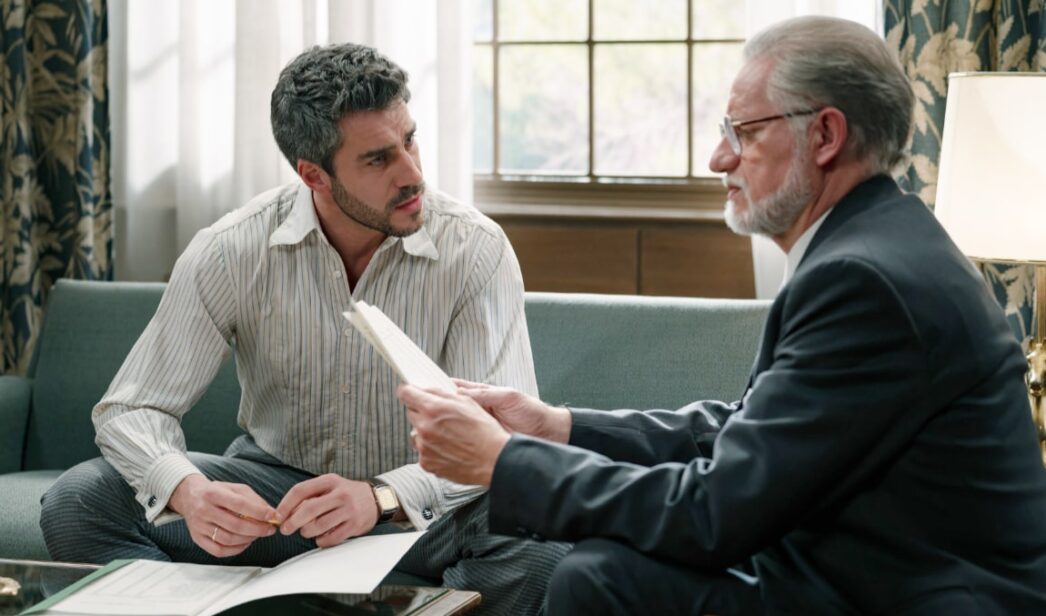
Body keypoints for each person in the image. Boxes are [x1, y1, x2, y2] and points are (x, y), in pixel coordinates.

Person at [397, 16, 1046, 615]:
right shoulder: (875, 246)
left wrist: (504, 462)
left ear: (824, 134)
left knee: (597, 578)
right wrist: (557, 427)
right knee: (599, 572)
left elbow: (717, 513)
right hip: (859, 575)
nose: (718, 158)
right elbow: (746, 431)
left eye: (742, 131)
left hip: (903, 598)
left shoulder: (864, 280)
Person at [40, 42, 568, 615]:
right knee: (79, 498)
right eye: (378, 159)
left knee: (543, 543)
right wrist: (189, 492)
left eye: (410, 140)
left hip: (424, 516)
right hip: (279, 504)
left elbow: (497, 442)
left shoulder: (476, 250)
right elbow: (129, 409)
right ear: (313, 174)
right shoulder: (230, 251)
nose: (412, 173)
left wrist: (381, 496)